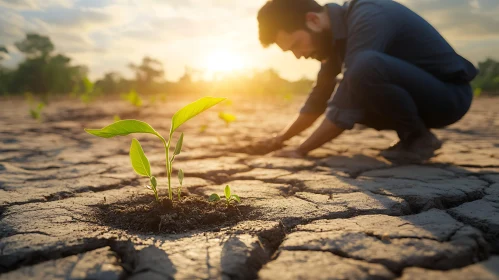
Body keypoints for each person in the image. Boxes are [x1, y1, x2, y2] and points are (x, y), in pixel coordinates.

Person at [254, 0, 477, 161]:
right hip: (423, 98)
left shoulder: (369, 13)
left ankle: (418, 138)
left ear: (312, 20)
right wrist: (280, 139)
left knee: (363, 68)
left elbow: (347, 96)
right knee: (355, 77)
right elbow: (318, 99)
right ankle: (413, 138)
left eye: (295, 45)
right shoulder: (334, 43)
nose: (299, 55)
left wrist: (301, 150)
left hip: (449, 96)